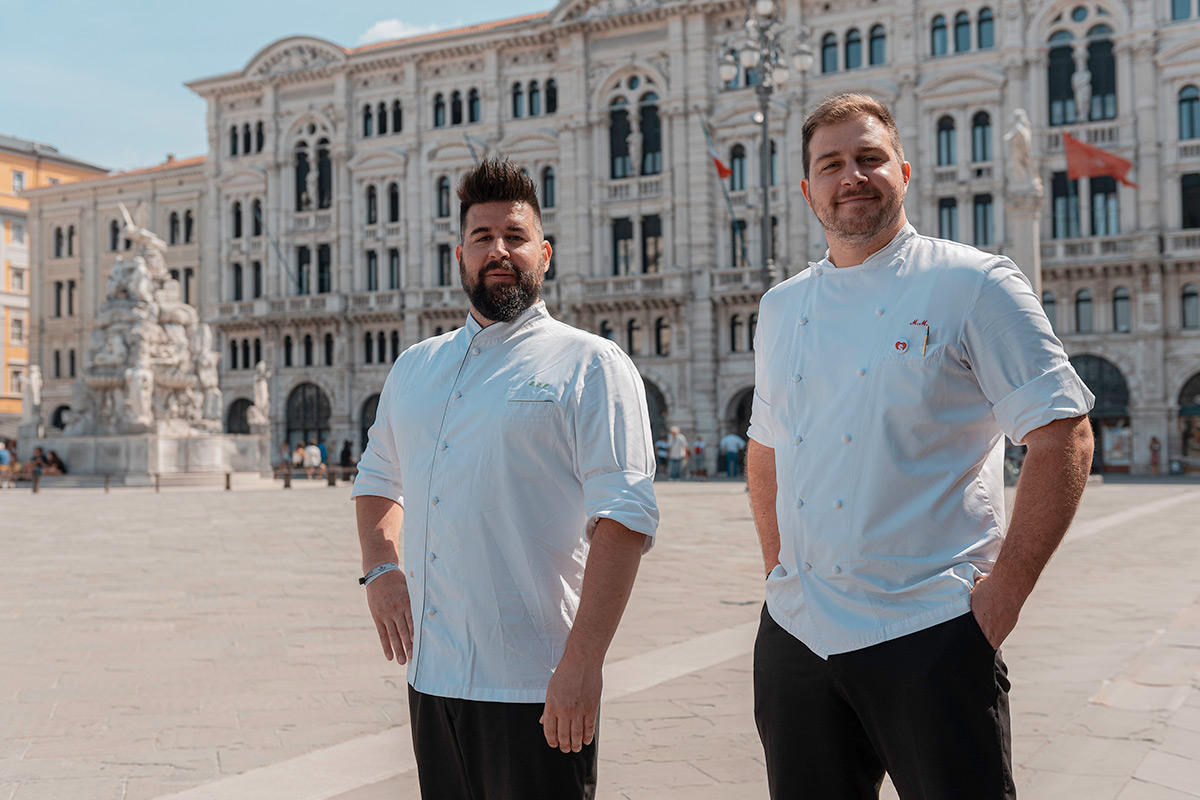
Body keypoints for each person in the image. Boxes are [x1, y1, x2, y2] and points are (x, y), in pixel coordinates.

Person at [747, 93, 1096, 800]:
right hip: (798, 636)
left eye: (869, 158)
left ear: (904, 171)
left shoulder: (973, 283)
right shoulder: (781, 307)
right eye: (831, 164)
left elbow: (1063, 432)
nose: (852, 176)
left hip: (929, 631)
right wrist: (779, 573)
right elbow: (767, 449)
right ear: (806, 188)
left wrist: (1004, 597)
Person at [351, 159, 658, 800]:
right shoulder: (416, 366)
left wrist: (583, 663)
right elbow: (378, 475)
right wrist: (382, 569)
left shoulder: (590, 364)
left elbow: (624, 519)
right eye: (483, 237)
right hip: (432, 681)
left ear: (542, 253)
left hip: (538, 682)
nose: (499, 251)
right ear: (459, 254)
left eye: (515, 237)